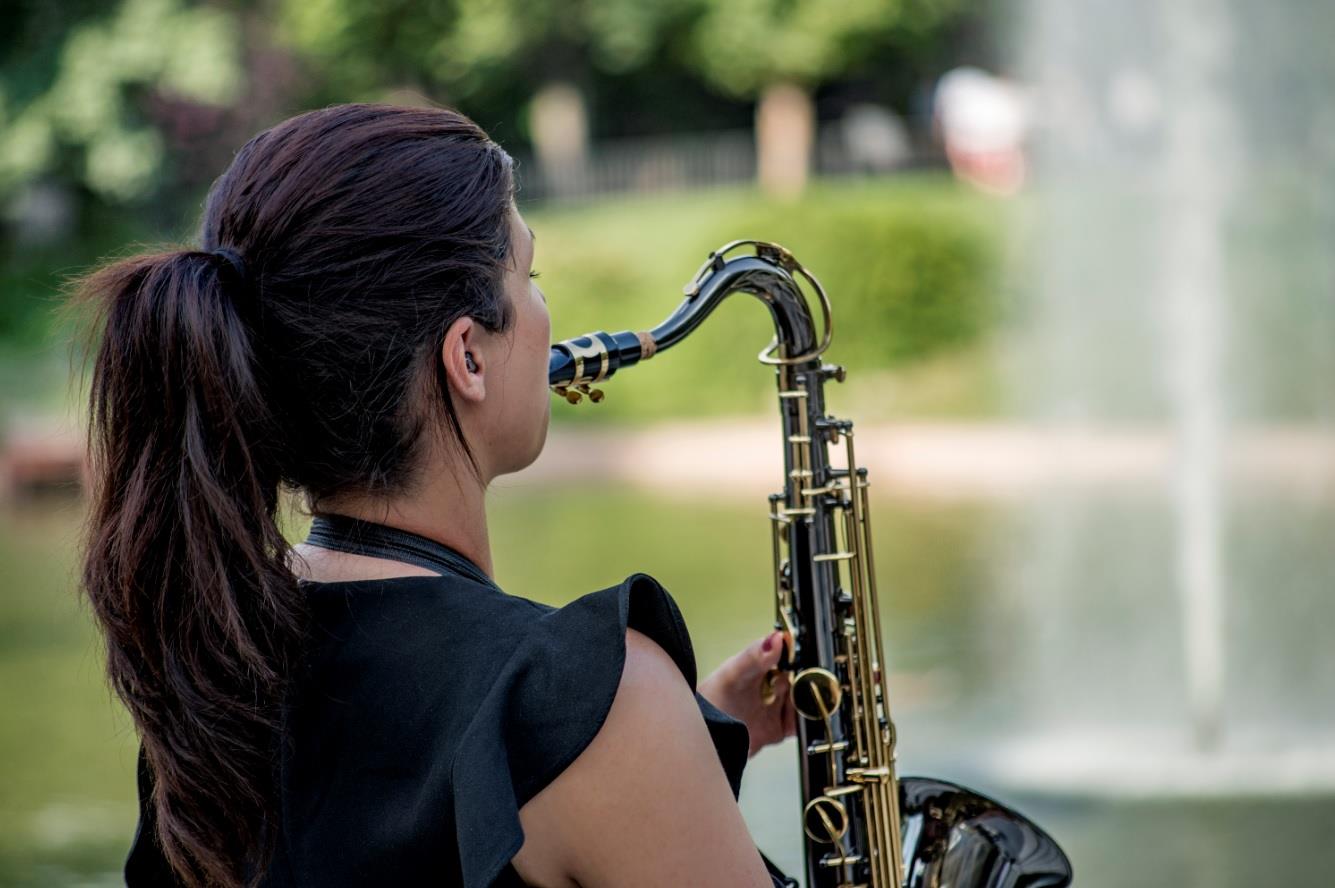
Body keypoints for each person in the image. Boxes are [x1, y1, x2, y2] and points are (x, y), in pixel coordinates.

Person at [77, 103, 798, 887]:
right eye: (530, 277)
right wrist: (646, 725)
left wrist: (692, 732)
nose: (548, 317)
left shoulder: (213, 678)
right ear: (468, 358)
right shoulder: (600, 699)